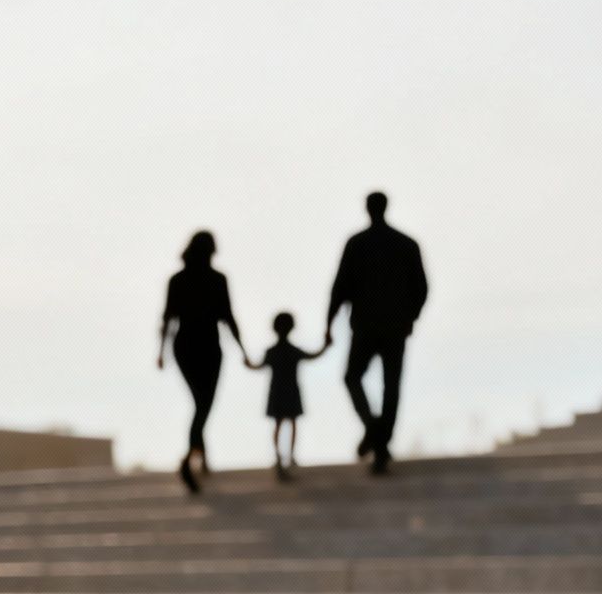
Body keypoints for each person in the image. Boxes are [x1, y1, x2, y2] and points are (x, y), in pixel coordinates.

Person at [326, 191, 428, 475]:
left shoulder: (358, 244)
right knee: (388, 386)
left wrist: (329, 322)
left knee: (357, 378)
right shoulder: (405, 244)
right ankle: (378, 436)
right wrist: (411, 316)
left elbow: (340, 287)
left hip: (369, 325)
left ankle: (376, 435)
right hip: (391, 326)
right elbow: (421, 288)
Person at [159, 230, 250, 492]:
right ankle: (191, 458)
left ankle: (200, 457)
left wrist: (162, 350)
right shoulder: (216, 279)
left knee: (201, 404)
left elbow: (167, 319)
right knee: (203, 404)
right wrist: (242, 349)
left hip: (187, 345)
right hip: (206, 346)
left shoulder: (178, 280)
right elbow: (228, 317)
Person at [247, 311, 330, 481]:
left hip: (278, 392)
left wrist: (248, 364)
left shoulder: (273, 351)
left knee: (279, 424)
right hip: (290, 391)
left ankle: (280, 456)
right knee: (291, 423)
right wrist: (325, 346)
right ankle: (289, 455)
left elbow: (258, 366)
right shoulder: (292, 351)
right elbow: (313, 355)